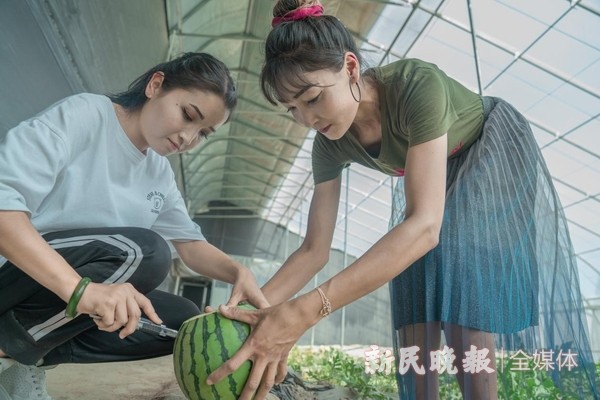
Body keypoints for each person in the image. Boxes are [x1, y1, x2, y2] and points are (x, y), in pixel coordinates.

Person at [206, 1, 599, 399]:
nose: (307, 119)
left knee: (456, 272)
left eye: (311, 98)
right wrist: (250, 314)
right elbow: (313, 249)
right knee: (412, 290)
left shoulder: (415, 84)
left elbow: (426, 226)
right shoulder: (328, 146)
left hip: (489, 149)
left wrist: (307, 309)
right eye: (292, 109)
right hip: (432, 172)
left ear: (351, 67)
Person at [0, 52, 269, 399]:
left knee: (177, 320)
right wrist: (83, 290)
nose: (188, 138)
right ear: (156, 85)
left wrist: (237, 272)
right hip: (10, 274)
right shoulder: (86, 116)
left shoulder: (158, 172)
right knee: (144, 253)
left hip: (47, 295)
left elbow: (190, 245)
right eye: (188, 115)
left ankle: (25, 361)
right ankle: (8, 347)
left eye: (203, 133)